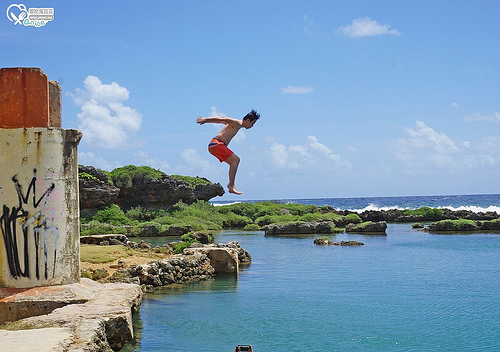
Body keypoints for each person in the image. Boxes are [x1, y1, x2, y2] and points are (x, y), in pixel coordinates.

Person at [196, 109, 260, 195]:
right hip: (216, 144)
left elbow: (223, 122)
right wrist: (205, 120)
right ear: (248, 120)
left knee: (234, 162)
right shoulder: (237, 122)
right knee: (236, 160)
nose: (252, 126)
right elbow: (223, 119)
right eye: (252, 124)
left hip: (215, 145)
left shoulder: (238, 125)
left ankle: (231, 185)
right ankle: (231, 185)